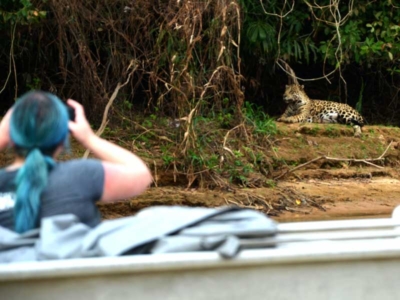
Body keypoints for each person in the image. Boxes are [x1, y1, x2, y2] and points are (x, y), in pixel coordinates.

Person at [0, 90, 153, 233]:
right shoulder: (82, 176)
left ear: (11, 136)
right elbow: (141, 174)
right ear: (62, 139)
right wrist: (89, 139)